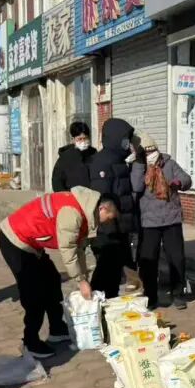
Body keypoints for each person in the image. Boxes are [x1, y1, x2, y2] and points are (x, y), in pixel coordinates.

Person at [0, 187, 119, 359]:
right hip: (15, 240)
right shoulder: (73, 212)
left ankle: (57, 329)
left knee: (52, 280)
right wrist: (81, 281)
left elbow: (79, 250)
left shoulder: (84, 212)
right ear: (103, 209)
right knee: (34, 293)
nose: (107, 223)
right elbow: (68, 249)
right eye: (109, 218)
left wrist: (84, 279)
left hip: (31, 245)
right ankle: (30, 342)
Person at [131, 133, 191, 310]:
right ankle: (151, 296)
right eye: (146, 152)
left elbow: (187, 179)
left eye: (152, 150)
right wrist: (140, 164)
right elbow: (136, 186)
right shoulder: (137, 166)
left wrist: (178, 183)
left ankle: (178, 293)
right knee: (149, 261)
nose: (151, 155)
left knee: (176, 258)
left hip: (171, 218)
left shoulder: (169, 163)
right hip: (149, 221)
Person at [88, 118, 138, 298]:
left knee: (115, 274)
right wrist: (108, 226)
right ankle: (93, 304)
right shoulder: (101, 162)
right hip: (107, 229)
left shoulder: (120, 160)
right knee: (104, 272)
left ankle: (110, 304)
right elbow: (102, 199)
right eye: (125, 139)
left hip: (119, 227)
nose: (127, 143)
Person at [51, 120, 97, 191]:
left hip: (91, 196)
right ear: (73, 139)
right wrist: (65, 196)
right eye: (79, 139)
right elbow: (57, 181)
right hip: (71, 196)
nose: (83, 142)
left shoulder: (94, 154)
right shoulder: (65, 158)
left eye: (85, 138)